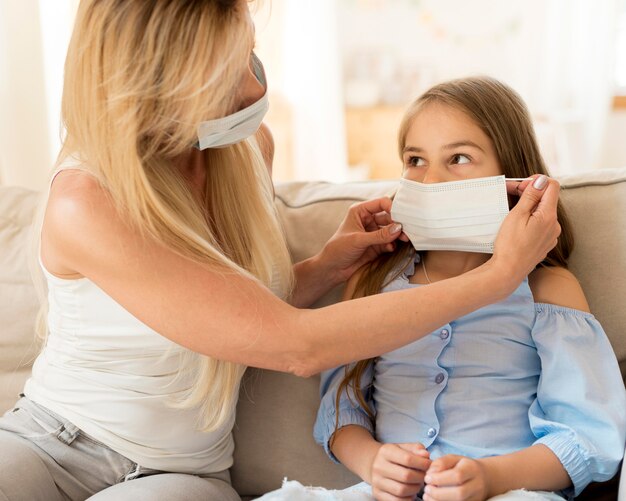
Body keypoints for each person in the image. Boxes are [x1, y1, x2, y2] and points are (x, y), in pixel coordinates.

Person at [0, 2, 561, 501]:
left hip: (179, 474)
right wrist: (499, 274)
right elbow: (296, 347)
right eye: (227, 73)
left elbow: (226, 314)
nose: (253, 89)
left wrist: (324, 268)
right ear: (160, 90)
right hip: (53, 443)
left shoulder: (244, 148)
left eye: (250, 54)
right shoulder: (86, 200)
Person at [308, 77, 626, 501]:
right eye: (415, 159)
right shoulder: (370, 283)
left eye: (458, 157)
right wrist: (371, 461)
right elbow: (341, 404)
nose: (431, 180)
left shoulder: (547, 288)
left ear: (510, 174)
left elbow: (590, 433)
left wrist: (490, 478)